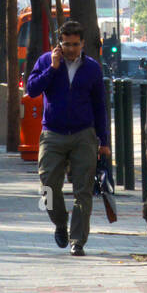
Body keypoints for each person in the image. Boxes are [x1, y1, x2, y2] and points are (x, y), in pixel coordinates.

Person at [26, 19, 110, 256]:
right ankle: (60, 223)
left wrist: (103, 142)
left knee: (83, 191)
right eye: (66, 44)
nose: (71, 49)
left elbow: (99, 106)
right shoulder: (46, 61)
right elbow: (32, 89)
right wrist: (52, 69)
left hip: (83, 135)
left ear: (82, 44)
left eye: (75, 44)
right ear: (59, 44)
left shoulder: (92, 68)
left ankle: (78, 241)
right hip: (53, 134)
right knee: (48, 187)